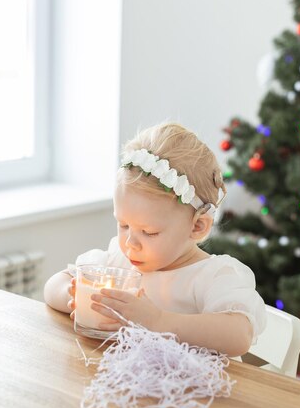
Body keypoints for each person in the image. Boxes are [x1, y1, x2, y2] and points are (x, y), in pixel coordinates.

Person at [43, 123, 266, 357]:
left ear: (197, 226)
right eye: (124, 225)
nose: (130, 242)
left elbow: (239, 336)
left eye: (148, 232)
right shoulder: (120, 264)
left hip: (190, 389)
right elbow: (52, 286)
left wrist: (157, 321)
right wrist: (77, 296)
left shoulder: (213, 276)